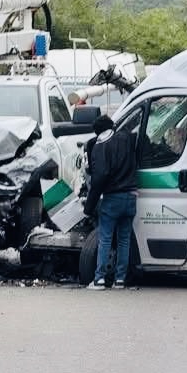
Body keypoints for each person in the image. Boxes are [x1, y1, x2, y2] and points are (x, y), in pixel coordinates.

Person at [83, 115, 138, 290]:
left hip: (112, 199)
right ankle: (120, 279)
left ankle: (99, 279)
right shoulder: (125, 138)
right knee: (124, 240)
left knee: (105, 238)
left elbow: (99, 178)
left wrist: (88, 207)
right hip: (130, 196)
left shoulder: (100, 147)